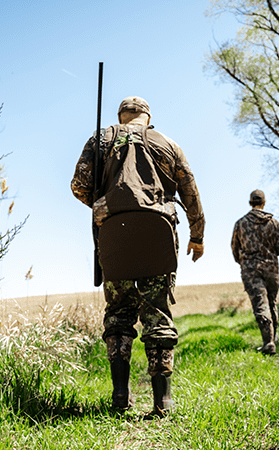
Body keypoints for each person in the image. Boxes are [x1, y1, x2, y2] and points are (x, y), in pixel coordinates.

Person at [71, 96, 205, 418]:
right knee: (157, 313)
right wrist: (197, 237)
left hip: (114, 237)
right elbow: (190, 192)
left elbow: (79, 185)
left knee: (118, 313)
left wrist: (105, 207)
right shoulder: (167, 143)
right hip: (157, 236)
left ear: (121, 116)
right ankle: (163, 402)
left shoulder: (101, 138)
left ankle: (120, 394)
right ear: (147, 117)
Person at [231, 190, 279, 355]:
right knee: (271, 303)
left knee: (260, 305)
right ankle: (273, 340)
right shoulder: (274, 223)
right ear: (264, 202)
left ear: (250, 203)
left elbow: (235, 248)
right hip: (271, 269)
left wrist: (244, 261)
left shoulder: (240, 223)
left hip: (251, 270)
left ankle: (268, 342)